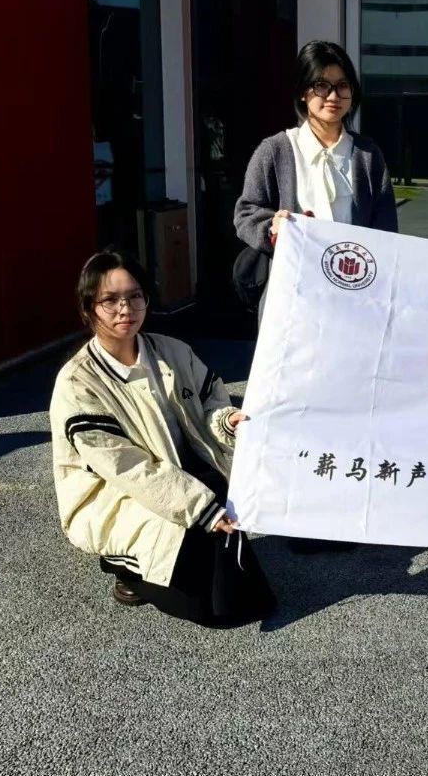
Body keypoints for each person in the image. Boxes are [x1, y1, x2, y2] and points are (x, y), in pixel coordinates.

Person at [50, 251, 276, 627]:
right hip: (118, 495)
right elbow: (128, 468)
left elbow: (211, 402)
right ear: (89, 308)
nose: (125, 308)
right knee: (212, 608)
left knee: (247, 600)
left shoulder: (171, 351)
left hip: (181, 474)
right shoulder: (78, 383)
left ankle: (185, 550)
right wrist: (200, 508)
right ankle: (123, 568)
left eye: (135, 296)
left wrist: (226, 421)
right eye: (110, 300)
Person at [233, 39, 398, 319]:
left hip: (354, 301)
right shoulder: (276, 151)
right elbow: (246, 213)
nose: (333, 96)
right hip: (292, 303)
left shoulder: (368, 156)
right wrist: (272, 226)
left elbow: (386, 232)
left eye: (343, 85)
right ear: (303, 92)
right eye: (322, 85)